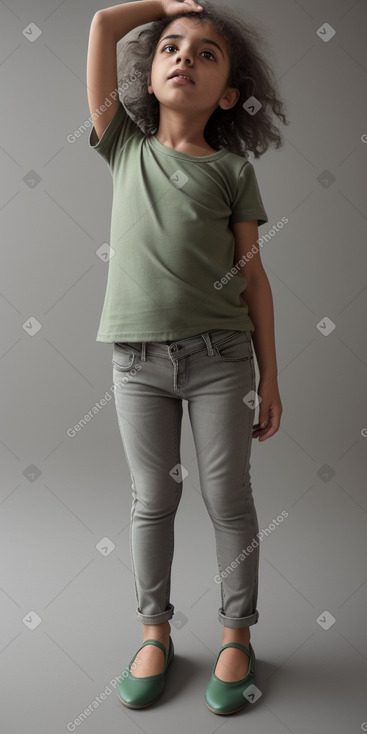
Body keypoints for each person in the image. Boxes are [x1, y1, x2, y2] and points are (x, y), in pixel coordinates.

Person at [87, 0, 287, 715]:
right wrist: (166, 6)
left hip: (220, 360)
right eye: (172, 47)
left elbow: (254, 278)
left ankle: (237, 634)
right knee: (153, 500)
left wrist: (269, 377)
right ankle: (155, 631)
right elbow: (104, 27)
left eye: (207, 54)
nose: (184, 57)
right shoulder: (123, 146)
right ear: (147, 77)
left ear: (229, 92)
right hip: (136, 361)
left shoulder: (232, 171)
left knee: (227, 499)